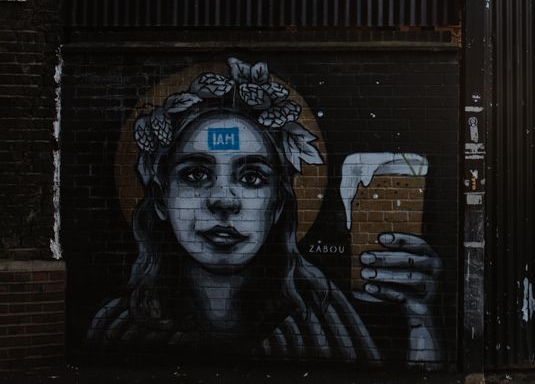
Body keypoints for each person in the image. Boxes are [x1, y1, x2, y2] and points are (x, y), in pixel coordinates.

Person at [88, 58, 442, 362]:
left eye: (252, 177)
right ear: (162, 198)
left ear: (278, 206)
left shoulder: (324, 320)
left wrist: (418, 320)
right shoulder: (118, 326)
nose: (224, 200)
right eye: (195, 174)